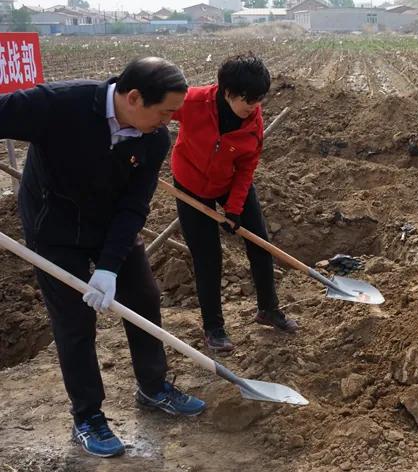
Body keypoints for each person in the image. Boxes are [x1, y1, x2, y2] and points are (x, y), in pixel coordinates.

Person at [0, 57, 206, 458]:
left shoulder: (153, 138)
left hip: (112, 224)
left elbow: (133, 206)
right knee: (75, 320)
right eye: (165, 111)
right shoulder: (62, 105)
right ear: (133, 98)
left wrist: (110, 266)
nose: (169, 121)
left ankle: (153, 386)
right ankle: (88, 416)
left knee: (143, 297)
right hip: (54, 228)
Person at [170, 53, 298, 353]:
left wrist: (235, 209)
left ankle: (268, 309)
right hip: (190, 184)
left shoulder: (253, 124)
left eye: (258, 102)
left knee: (260, 243)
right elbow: (156, 113)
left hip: (229, 181)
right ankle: (213, 327)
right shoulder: (191, 102)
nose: (254, 108)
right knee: (207, 256)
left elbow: (246, 168)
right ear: (227, 92)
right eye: (248, 102)